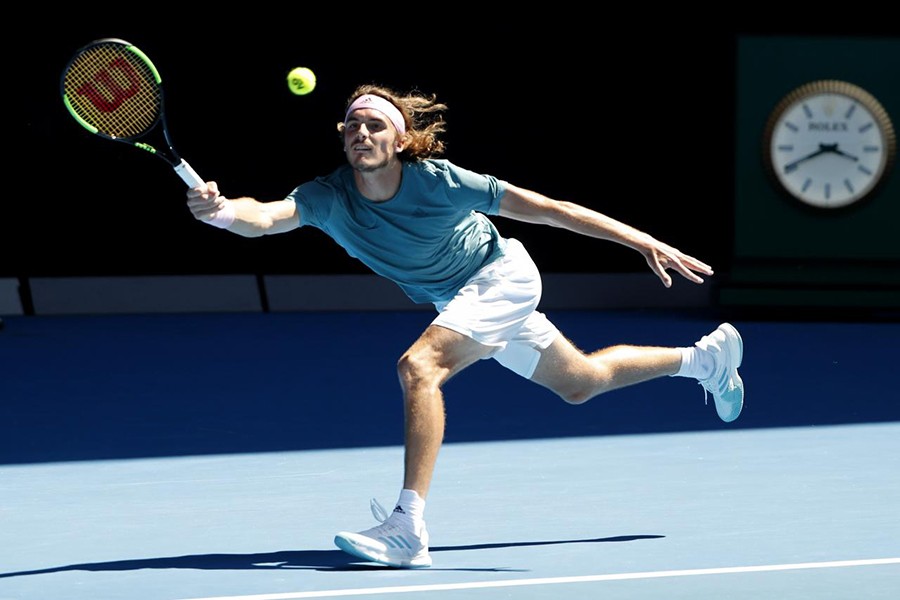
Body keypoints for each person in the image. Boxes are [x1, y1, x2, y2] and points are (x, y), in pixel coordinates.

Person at [186, 83, 744, 569]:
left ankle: (408, 528)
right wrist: (222, 211)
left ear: (400, 140)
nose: (361, 132)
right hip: (458, 300)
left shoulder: (441, 182)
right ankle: (705, 361)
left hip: (500, 276)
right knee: (581, 383)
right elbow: (264, 217)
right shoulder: (328, 198)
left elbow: (550, 208)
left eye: (374, 124)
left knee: (418, 366)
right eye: (352, 125)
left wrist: (641, 240)